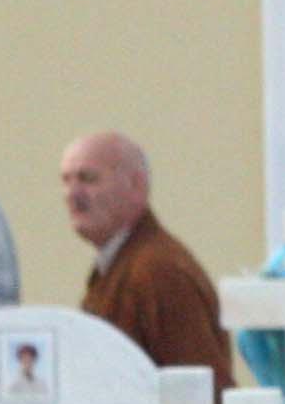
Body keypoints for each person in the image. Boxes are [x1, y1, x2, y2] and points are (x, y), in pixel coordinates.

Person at [60, 132, 235, 389]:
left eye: (88, 178)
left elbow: (202, 391)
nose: (72, 194)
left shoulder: (159, 272)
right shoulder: (122, 264)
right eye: (66, 180)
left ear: (137, 186)